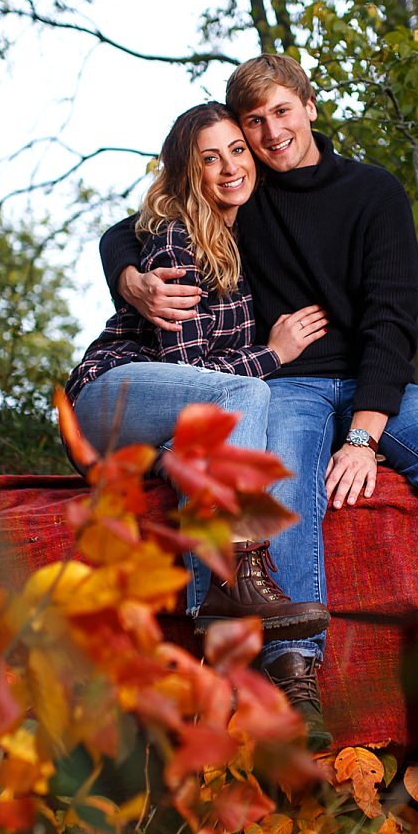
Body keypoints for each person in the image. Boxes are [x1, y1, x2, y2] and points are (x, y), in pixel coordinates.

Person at [101, 54, 418, 747]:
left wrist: (364, 434)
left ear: (309, 105)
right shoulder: (242, 194)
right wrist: (128, 276)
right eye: (255, 122)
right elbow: (140, 223)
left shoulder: (374, 192)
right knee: (287, 469)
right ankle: (295, 675)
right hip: (291, 384)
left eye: (282, 111)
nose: (271, 133)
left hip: (378, 384)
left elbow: (393, 322)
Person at [66, 102, 331, 641]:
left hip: (159, 429)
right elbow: (188, 371)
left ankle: (212, 618)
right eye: (211, 159)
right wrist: (274, 354)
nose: (231, 167)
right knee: (248, 395)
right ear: (190, 172)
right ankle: (239, 576)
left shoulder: (241, 233)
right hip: (108, 399)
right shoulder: (176, 238)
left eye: (238, 151)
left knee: (197, 458)